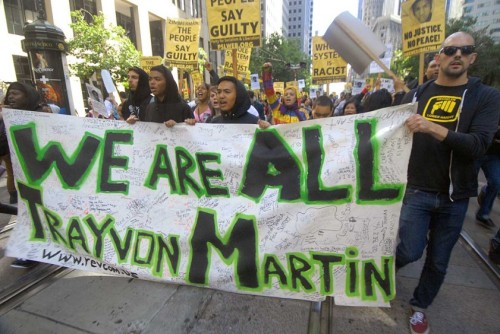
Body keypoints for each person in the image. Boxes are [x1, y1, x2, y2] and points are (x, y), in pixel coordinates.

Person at [396, 32, 500, 334]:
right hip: (416, 189)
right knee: (409, 251)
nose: (458, 55)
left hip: (455, 197)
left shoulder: (486, 97)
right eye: (450, 50)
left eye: (465, 50)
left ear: (472, 58)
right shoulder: (416, 95)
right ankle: (382, 274)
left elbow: (478, 145)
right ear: (438, 57)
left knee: (439, 261)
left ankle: (419, 306)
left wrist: (432, 127)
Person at [1, 82, 44, 269]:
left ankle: (33, 251)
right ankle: (31, 251)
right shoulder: (7, 117)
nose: (11, 96)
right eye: (9, 93)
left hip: (42, 178)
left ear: (27, 95)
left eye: (16, 93)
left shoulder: (42, 113)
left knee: (38, 215)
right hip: (21, 179)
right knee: (30, 215)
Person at [127, 65, 194, 128]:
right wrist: (134, 124)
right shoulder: (150, 107)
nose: (152, 82)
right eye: (150, 79)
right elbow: (148, 132)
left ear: (167, 82)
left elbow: (192, 133)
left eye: (157, 79)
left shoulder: (183, 108)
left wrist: (178, 126)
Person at [475, 124, 499, 229]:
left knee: (496, 182)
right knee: (467, 182)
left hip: (494, 155)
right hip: (478, 150)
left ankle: (483, 213)